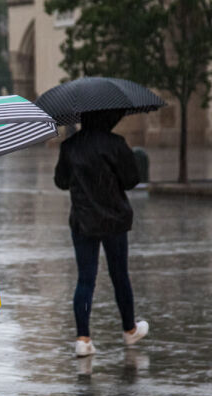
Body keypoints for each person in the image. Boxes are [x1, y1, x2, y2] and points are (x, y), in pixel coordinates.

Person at [53, 109, 149, 357]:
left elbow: (61, 181)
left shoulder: (70, 146)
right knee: (120, 275)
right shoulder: (115, 144)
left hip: (83, 220)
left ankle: (83, 338)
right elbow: (131, 180)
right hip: (113, 220)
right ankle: (129, 330)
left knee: (86, 279)